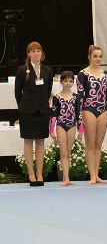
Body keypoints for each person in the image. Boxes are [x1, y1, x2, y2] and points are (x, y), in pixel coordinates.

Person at [15, 42, 53, 186]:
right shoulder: (22, 70)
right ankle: (31, 173)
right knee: (28, 141)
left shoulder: (47, 70)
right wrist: (23, 107)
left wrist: (43, 104)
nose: (36, 53)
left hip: (42, 110)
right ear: (29, 54)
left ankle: (39, 173)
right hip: (27, 110)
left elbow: (48, 89)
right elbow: (17, 92)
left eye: (39, 51)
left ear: (42, 53)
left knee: (41, 141)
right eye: (33, 51)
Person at [77, 45, 107, 184]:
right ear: (89, 57)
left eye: (100, 56)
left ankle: (97, 174)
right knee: (90, 143)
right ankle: (92, 175)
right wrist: (79, 115)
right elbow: (80, 95)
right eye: (95, 56)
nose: (98, 59)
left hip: (102, 109)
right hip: (88, 109)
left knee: (99, 144)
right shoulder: (83, 74)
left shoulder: (106, 74)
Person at [49, 71, 83, 186]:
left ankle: (66, 177)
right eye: (65, 81)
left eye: (70, 81)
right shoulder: (57, 97)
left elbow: (78, 114)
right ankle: (66, 178)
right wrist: (51, 130)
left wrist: (81, 130)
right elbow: (54, 115)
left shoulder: (76, 97)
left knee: (68, 152)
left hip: (72, 125)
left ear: (73, 82)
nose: (68, 83)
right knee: (63, 152)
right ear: (61, 82)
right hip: (61, 125)